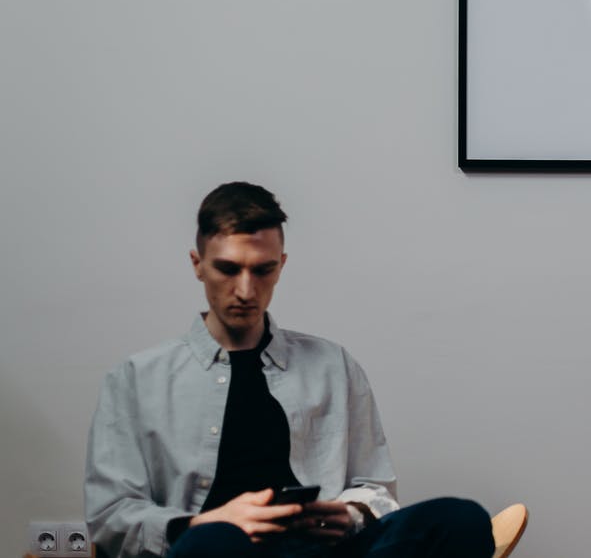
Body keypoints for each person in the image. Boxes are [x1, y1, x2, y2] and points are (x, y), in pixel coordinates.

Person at [85, 182, 494, 558]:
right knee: (214, 543)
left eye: (262, 270)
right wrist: (200, 523)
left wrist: (349, 514)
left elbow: (375, 486)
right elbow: (111, 516)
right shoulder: (136, 379)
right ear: (198, 264)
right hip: (215, 551)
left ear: (280, 266)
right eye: (228, 269)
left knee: (461, 519)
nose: (245, 290)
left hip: (320, 552)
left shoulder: (333, 365)